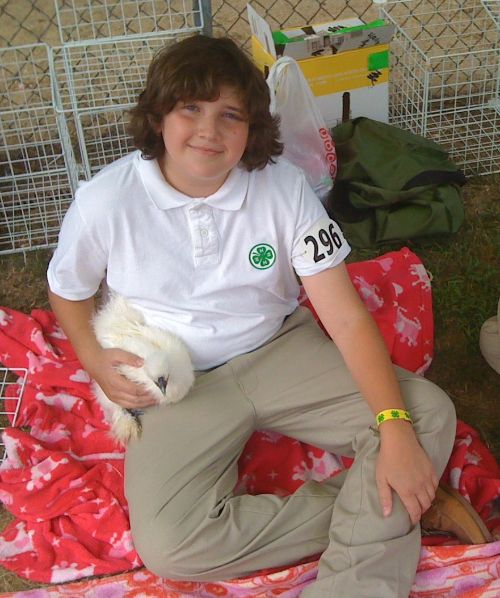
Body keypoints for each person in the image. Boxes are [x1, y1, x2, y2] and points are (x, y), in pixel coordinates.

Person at [47, 35, 457, 596]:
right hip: (177, 377)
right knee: (171, 546)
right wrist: (93, 359)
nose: (209, 131)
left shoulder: (283, 188)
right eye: (191, 107)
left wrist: (394, 428)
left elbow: (346, 319)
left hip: (278, 348)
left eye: (230, 115)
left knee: (424, 413)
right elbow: (66, 289)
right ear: (159, 113)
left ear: (253, 128)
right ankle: (395, 500)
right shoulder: (106, 200)